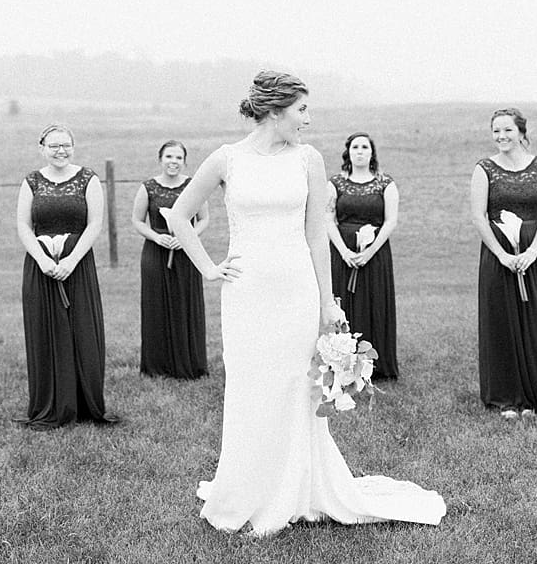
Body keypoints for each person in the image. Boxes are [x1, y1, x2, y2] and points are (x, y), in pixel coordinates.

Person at [167, 70, 445, 536]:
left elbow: (317, 235)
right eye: (301, 110)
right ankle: (248, 488)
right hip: (247, 293)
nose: (308, 119)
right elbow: (177, 213)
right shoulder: (227, 159)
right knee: (251, 388)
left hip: (296, 289)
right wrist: (208, 267)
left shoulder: (308, 160)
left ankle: (297, 489)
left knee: (297, 387)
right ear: (275, 112)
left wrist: (327, 301)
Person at [15, 124, 118, 427]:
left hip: (79, 265)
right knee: (45, 332)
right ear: (42, 148)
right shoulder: (31, 181)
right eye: (54, 145)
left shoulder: (88, 179)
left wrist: (71, 260)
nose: (61, 151)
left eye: (66, 145)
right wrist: (42, 260)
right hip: (40, 266)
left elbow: (95, 224)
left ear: (74, 146)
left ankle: (85, 403)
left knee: (82, 331)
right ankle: (50, 402)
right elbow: (23, 226)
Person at [470, 108, 537, 418]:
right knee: (502, 323)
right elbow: (479, 216)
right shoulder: (484, 169)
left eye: (508, 130)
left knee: (536, 319)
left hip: (534, 253)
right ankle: (506, 397)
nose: (502, 136)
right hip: (498, 255)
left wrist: (533, 250)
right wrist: (501, 254)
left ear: (521, 132)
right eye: (496, 131)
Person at [131, 140, 210, 378]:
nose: (173, 162)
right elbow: (137, 220)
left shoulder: (194, 185)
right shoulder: (148, 187)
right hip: (156, 253)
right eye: (169, 157)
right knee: (156, 307)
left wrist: (188, 237)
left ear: (184, 161)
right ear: (160, 159)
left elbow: (204, 219)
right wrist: (156, 237)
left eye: (178, 158)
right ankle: (157, 365)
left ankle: (189, 364)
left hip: (187, 253)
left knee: (186, 304)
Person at [325, 132, 400, 379]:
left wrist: (369, 252)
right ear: (348, 152)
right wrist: (344, 251)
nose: (360, 151)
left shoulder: (385, 184)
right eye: (355, 147)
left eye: (364, 147)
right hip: (342, 252)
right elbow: (328, 218)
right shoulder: (335, 184)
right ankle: (343, 363)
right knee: (343, 304)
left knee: (375, 302)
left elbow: (390, 221)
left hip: (375, 254)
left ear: (371, 152)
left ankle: (377, 365)